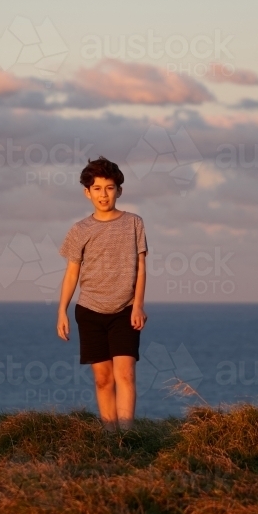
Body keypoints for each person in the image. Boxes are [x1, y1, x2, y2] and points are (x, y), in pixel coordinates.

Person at [56, 156, 148, 433]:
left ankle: (127, 437)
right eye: (97, 188)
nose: (103, 194)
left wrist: (138, 306)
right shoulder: (79, 230)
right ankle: (110, 436)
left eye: (109, 187)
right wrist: (61, 310)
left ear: (119, 190)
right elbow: (72, 273)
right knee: (102, 380)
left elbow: (141, 267)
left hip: (125, 310)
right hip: (89, 311)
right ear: (87, 192)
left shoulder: (134, 223)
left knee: (126, 375)